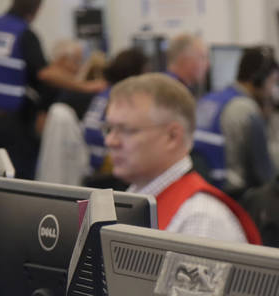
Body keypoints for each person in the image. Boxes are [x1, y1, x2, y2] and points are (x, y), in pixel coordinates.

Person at [103, 73, 261, 245]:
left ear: (172, 137)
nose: (110, 141)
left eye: (126, 130)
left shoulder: (201, 220)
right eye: (110, 129)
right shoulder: (135, 198)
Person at [0, 0, 105, 178]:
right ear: (36, 10)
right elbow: (45, 74)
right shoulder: (24, 34)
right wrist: (85, 86)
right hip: (8, 123)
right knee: (16, 178)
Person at [195, 46, 279, 192]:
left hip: (203, 191)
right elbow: (268, 172)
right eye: (274, 82)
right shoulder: (246, 110)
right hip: (232, 197)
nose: (274, 91)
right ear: (259, 80)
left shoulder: (208, 100)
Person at [81, 47, 150, 175]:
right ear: (135, 72)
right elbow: (92, 131)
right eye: (145, 71)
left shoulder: (106, 94)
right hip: (105, 169)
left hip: (100, 166)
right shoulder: (117, 97)